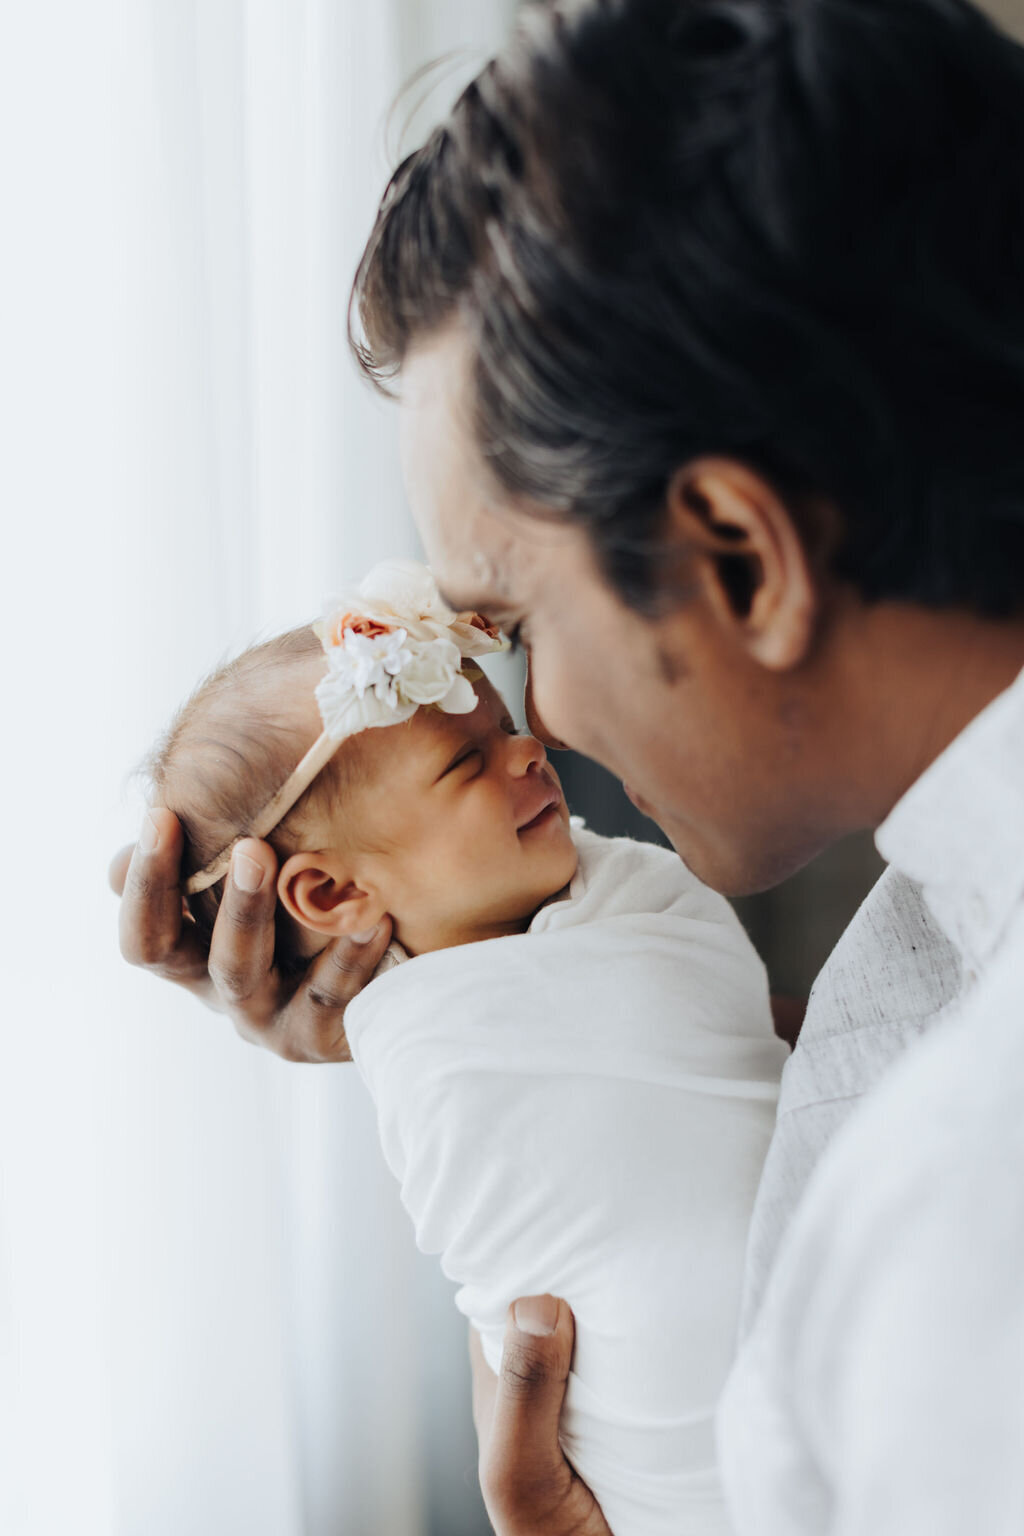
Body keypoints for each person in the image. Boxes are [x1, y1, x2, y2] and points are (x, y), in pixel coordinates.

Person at [113, 0, 1024, 1530]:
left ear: (740, 559)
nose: (541, 726)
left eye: (508, 622)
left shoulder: (956, 1237)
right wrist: (492, 1028)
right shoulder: (935, 965)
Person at [146, 558, 787, 1535]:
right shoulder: (425, 1039)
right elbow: (510, 1251)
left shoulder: (619, 901)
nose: (528, 750)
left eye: (504, 726)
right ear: (330, 896)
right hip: (675, 1453)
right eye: (463, 763)